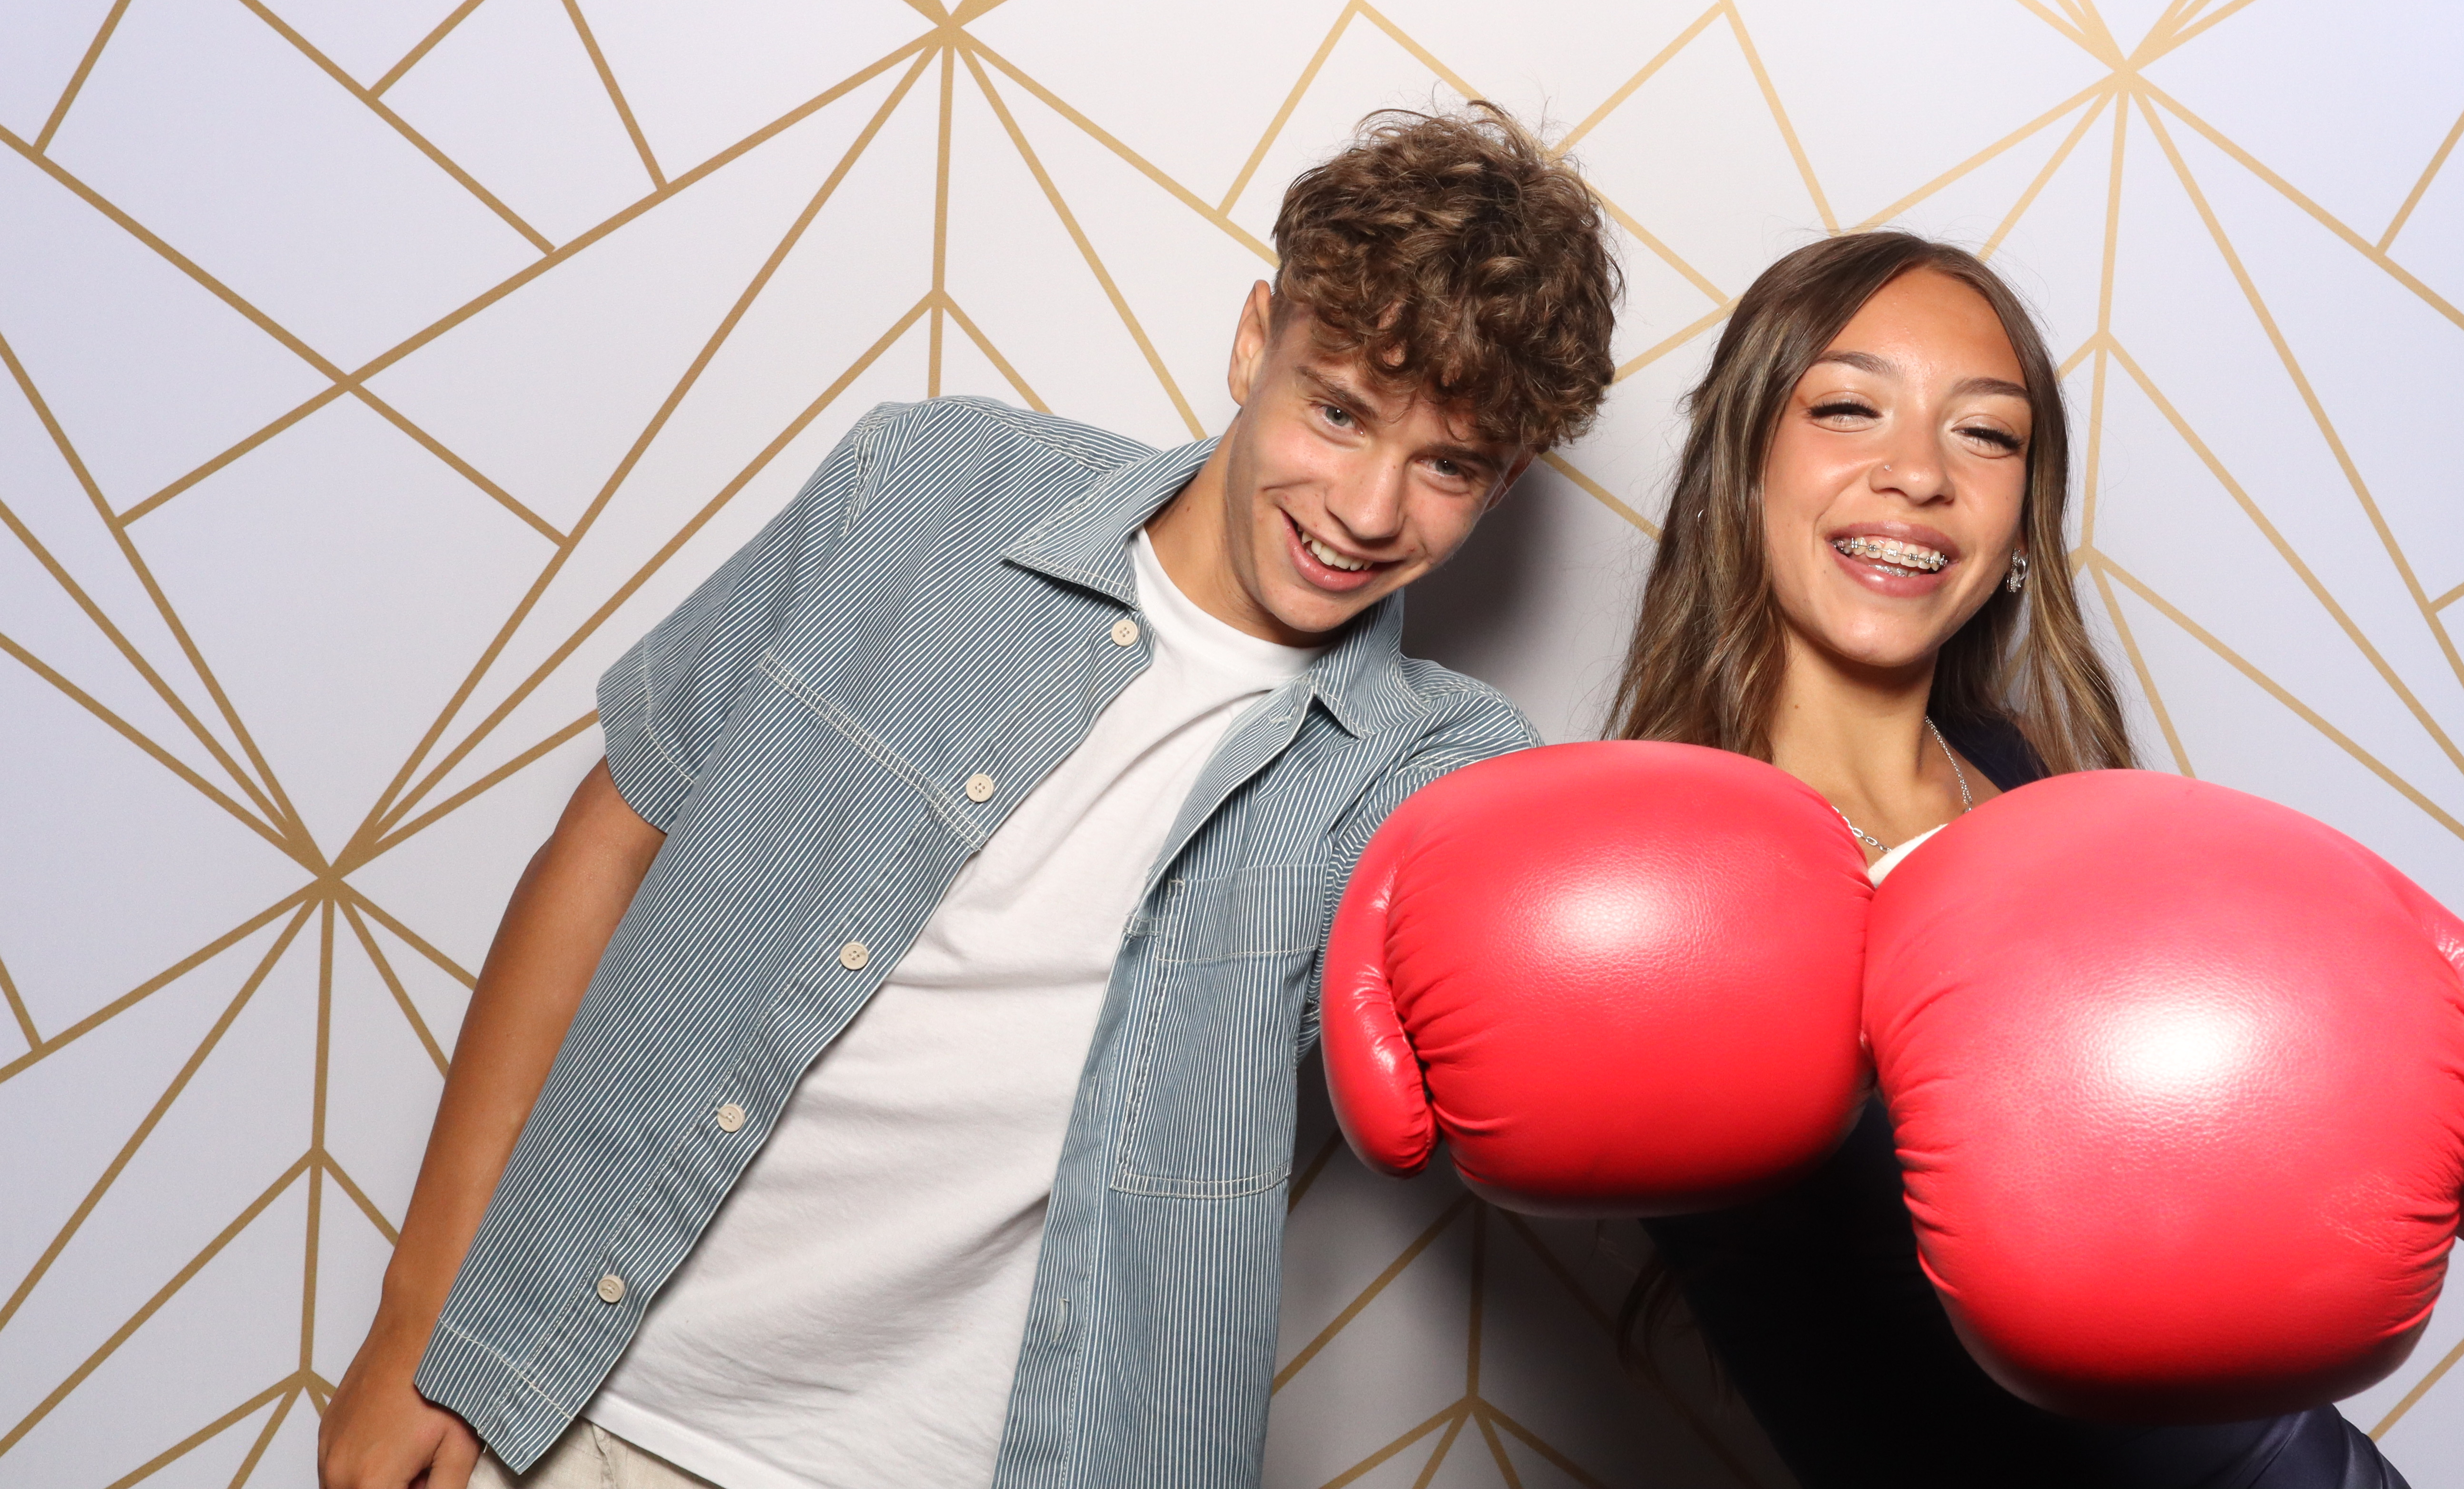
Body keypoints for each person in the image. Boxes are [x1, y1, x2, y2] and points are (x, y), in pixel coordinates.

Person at [315, 106, 1620, 1489]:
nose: (1365, 506)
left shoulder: (1443, 779)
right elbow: (614, 834)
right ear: (1256, 341)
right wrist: (419, 1322)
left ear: (1506, 479)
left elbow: (1643, 1015)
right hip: (571, 1403)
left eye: (1448, 466)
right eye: (1339, 409)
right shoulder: (927, 487)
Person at [1609, 231, 2408, 1489]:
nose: (1917, 472)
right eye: (1849, 408)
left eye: (1986, 434)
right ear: (1739, 468)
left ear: (2023, 522)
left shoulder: (2036, 782)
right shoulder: (1655, 883)